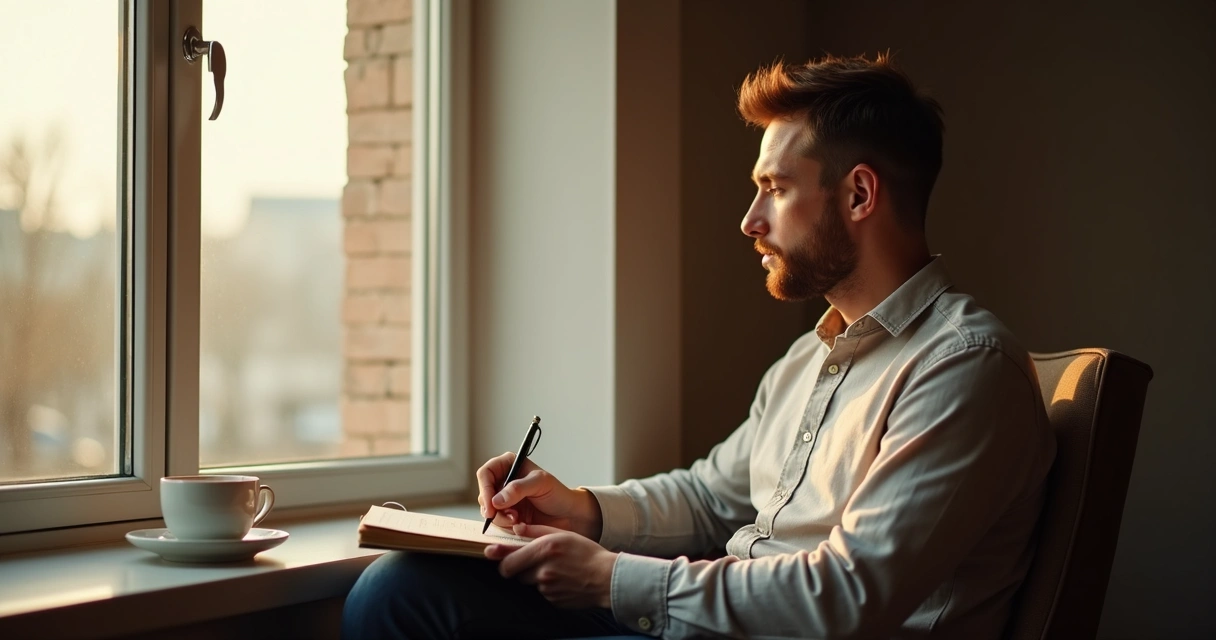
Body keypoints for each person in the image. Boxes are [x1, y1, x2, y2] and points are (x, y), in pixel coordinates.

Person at [342, 53, 1056, 639]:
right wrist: (579, 509)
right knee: (401, 588)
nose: (751, 221)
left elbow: (849, 596)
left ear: (860, 195)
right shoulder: (810, 361)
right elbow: (713, 498)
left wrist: (611, 577)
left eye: (774, 188)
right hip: (715, 625)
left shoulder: (964, 368)